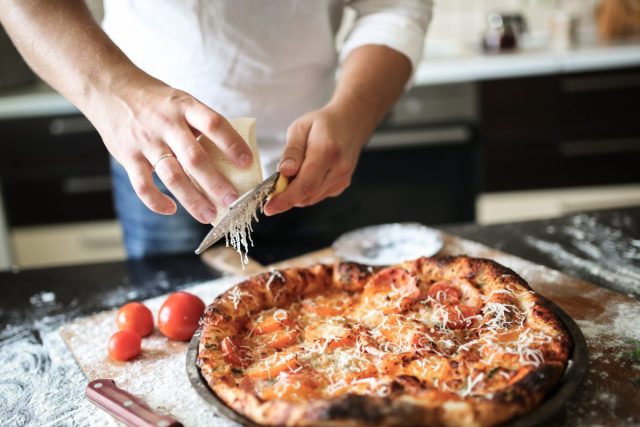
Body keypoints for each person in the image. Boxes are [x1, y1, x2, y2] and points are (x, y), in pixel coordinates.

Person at [0, 0, 432, 257]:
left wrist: (353, 113)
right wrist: (115, 94)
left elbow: (394, 6)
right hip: (162, 160)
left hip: (317, 159)